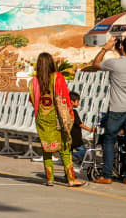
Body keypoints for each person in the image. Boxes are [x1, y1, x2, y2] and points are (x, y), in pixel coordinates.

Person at [87, 35, 126, 184]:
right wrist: (124, 48)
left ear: (121, 47)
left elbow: (96, 64)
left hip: (117, 108)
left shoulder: (114, 63)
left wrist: (105, 48)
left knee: (109, 140)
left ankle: (107, 175)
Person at [29, 52, 85, 187]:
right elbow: (64, 97)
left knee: (46, 148)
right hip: (57, 118)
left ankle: (50, 179)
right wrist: (68, 115)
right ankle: (71, 179)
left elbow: (31, 99)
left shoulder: (33, 81)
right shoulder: (57, 77)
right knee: (65, 148)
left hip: (42, 118)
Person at [69, 91, 94, 172]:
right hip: (76, 137)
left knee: (69, 150)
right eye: (77, 101)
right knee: (84, 151)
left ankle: (70, 163)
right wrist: (90, 129)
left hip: (69, 136)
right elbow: (79, 124)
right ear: (72, 102)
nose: (78, 103)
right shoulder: (73, 112)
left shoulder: (66, 111)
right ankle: (72, 156)